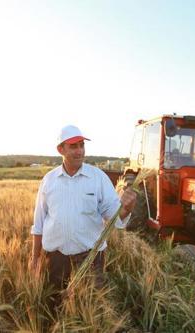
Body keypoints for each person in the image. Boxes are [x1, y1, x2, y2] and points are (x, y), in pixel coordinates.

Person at [29, 125, 137, 304]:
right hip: (55, 259)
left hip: (91, 258)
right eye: (73, 146)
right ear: (60, 149)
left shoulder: (98, 178)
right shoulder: (49, 180)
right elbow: (38, 223)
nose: (79, 151)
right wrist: (34, 258)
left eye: (81, 145)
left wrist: (127, 208)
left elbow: (115, 217)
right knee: (54, 304)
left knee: (92, 307)